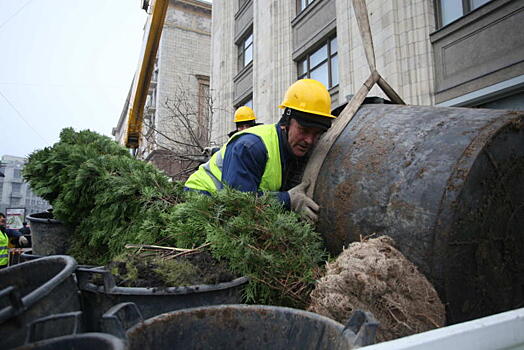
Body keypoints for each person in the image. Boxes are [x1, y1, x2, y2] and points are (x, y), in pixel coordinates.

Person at [185, 79, 336, 223]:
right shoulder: (250, 147)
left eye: (316, 134)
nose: (309, 140)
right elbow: (236, 204)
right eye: (304, 130)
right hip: (201, 198)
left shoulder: (290, 149)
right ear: (286, 123)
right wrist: (288, 200)